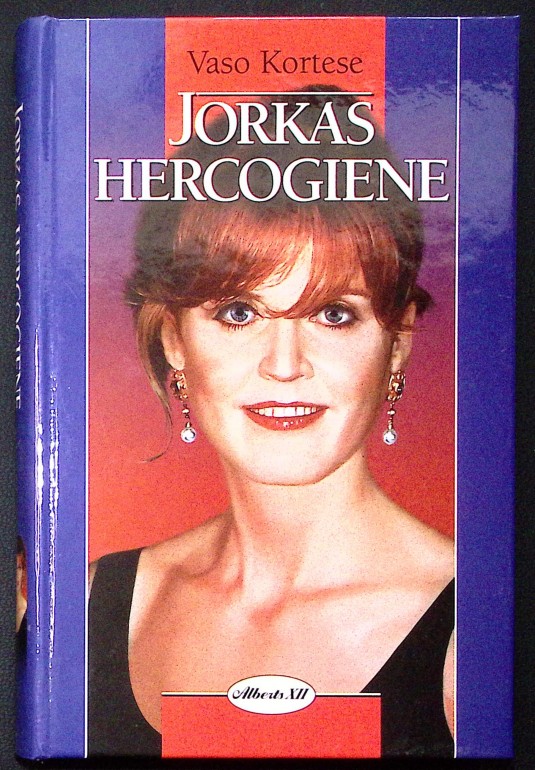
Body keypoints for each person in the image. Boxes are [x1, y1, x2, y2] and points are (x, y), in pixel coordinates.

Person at [88, 88, 454, 757]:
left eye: (333, 314)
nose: (284, 366)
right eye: (238, 313)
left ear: (396, 342)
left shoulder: (476, 635)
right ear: (174, 341)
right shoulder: (92, 605)